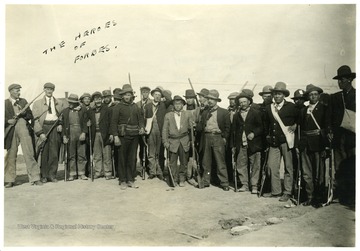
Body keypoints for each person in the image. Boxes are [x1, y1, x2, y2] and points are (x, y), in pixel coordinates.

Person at [264, 82, 299, 202]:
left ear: (284, 95)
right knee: (271, 166)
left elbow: (300, 119)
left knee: (288, 167)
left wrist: (295, 125)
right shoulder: (270, 107)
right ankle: (276, 191)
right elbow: (266, 124)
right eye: (275, 94)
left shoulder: (292, 107)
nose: (277, 96)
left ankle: (288, 191)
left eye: (279, 94)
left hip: (286, 140)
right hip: (274, 141)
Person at [298, 84, 332, 206]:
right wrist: (300, 144)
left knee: (319, 173)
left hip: (318, 143)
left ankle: (319, 197)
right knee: (307, 172)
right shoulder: (303, 110)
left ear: (319, 96)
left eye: (315, 94)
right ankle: (310, 196)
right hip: (306, 144)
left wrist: (326, 145)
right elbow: (301, 129)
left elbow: (327, 127)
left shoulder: (324, 108)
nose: (313, 96)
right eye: (310, 94)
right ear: (308, 96)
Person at [4, 84, 43, 187]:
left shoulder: (23, 101)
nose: (19, 92)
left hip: (23, 127)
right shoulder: (4, 103)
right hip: (11, 130)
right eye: (17, 90)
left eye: (19, 91)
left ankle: (35, 178)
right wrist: (8, 121)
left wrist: (23, 114)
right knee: (11, 155)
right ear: (11, 91)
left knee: (29, 152)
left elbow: (30, 115)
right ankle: (9, 180)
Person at [110, 84, 145, 189]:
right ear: (122, 96)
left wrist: (142, 127)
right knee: (122, 158)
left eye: (129, 94)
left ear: (131, 96)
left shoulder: (136, 107)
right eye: (125, 95)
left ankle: (130, 179)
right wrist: (115, 136)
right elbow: (113, 122)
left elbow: (140, 120)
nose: (127, 97)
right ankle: (122, 180)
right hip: (122, 136)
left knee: (132, 158)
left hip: (134, 136)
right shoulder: (118, 107)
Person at [330, 65, 356, 205]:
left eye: (343, 80)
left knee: (352, 166)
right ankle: (340, 194)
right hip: (338, 138)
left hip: (353, 138)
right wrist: (329, 130)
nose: (340, 82)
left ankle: (352, 196)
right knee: (339, 167)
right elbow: (329, 117)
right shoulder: (335, 97)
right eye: (338, 80)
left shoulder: (356, 95)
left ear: (350, 80)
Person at [196, 89, 230, 191]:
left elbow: (228, 128)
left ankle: (224, 183)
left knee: (220, 161)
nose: (210, 101)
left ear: (216, 101)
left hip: (218, 137)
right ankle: (206, 181)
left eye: (212, 99)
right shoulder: (205, 112)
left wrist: (224, 139)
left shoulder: (224, 112)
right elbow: (201, 126)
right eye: (209, 99)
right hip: (206, 137)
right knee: (205, 161)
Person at [231, 89, 263, 194]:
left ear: (249, 102)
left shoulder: (256, 113)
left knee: (255, 164)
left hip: (254, 143)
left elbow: (261, 127)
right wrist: (233, 145)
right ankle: (244, 184)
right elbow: (233, 131)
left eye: (244, 102)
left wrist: (254, 133)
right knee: (241, 164)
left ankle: (254, 185)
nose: (243, 104)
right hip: (241, 144)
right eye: (240, 102)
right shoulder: (236, 115)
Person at [32, 82, 66, 183]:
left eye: (51, 89)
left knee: (54, 151)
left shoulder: (59, 102)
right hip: (44, 128)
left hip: (55, 128)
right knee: (44, 152)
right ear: (44, 90)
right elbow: (35, 120)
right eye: (47, 89)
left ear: (53, 90)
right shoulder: (37, 103)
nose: (49, 91)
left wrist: (60, 124)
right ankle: (44, 175)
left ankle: (52, 175)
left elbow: (62, 116)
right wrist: (40, 133)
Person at [162, 95, 193, 187]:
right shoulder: (168, 115)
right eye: (176, 104)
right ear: (173, 105)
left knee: (184, 162)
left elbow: (191, 129)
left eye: (180, 104)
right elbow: (165, 130)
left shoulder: (188, 114)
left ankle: (182, 179)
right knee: (172, 162)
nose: (178, 106)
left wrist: (191, 141)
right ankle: (174, 179)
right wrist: (165, 142)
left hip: (184, 141)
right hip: (173, 142)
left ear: (183, 105)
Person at [62, 94, 88, 181]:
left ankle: (82, 173)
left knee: (81, 154)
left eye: (72, 102)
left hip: (80, 132)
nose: (70, 104)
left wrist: (84, 133)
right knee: (71, 154)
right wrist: (64, 136)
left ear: (76, 103)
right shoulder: (65, 111)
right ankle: (72, 174)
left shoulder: (82, 110)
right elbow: (63, 124)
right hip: (70, 133)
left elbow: (85, 122)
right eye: (69, 102)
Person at [88, 91, 114, 180]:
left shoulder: (107, 109)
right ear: (94, 100)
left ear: (101, 99)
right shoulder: (91, 110)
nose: (98, 100)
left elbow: (111, 123)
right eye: (96, 99)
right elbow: (87, 120)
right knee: (97, 154)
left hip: (105, 134)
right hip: (95, 134)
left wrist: (111, 134)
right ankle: (98, 172)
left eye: (99, 98)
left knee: (107, 154)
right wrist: (88, 123)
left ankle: (108, 172)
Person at [144, 87, 168, 180]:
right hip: (150, 130)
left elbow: (169, 99)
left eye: (159, 95)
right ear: (152, 95)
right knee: (151, 152)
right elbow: (143, 117)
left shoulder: (164, 105)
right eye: (156, 94)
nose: (157, 96)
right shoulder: (147, 106)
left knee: (160, 152)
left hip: (161, 130)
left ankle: (160, 171)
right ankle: (152, 172)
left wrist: (162, 90)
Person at [136, 86, 152, 176]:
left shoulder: (151, 103)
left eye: (146, 92)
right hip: (140, 129)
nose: (145, 94)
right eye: (143, 92)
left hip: (149, 128)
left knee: (149, 148)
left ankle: (150, 167)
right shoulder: (137, 104)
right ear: (141, 93)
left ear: (149, 93)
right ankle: (142, 166)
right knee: (142, 148)